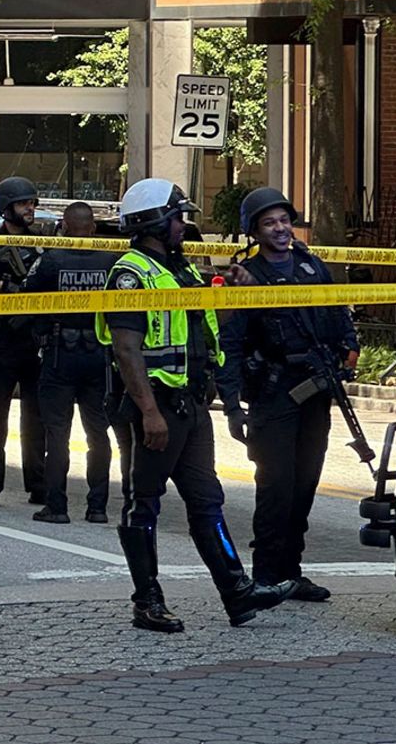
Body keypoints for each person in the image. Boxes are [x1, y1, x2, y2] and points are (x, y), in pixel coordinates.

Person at [97, 178, 292, 632]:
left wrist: (234, 293)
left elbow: (206, 326)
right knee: (142, 504)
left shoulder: (181, 270)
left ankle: (237, 593)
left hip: (190, 404)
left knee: (207, 501)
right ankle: (146, 601)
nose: (184, 225)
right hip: (153, 406)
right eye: (177, 217)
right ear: (153, 223)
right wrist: (148, 412)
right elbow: (126, 349)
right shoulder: (130, 274)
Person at [217, 187, 358, 602]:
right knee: (276, 487)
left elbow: (338, 315)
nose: (279, 229)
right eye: (269, 223)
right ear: (254, 231)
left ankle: (291, 572)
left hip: (317, 391)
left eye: (283, 220)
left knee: (304, 485)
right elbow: (230, 343)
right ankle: (264, 575)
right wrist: (231, 406)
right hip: (274, 395)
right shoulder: (248, 276)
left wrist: (347, 349)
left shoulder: (312, 266)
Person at [21, 202, 121, 524]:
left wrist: (40, 334)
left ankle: (57, 506)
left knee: (57, 435)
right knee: (98, 435)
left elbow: (27, 296)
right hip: (97, 356)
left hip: (60, 355)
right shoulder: (110, 259)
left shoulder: (51, 259)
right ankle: (97, 507)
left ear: (64, 227)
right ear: (92, 228)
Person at [0, 177, 46, 504]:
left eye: (32, 203)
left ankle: (39, 483)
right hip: (0, 341)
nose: (30, 209)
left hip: (33, 341)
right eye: (23, 204)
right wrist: (2, 288)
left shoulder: (42, 244)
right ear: (7, 208)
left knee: (37, 419)